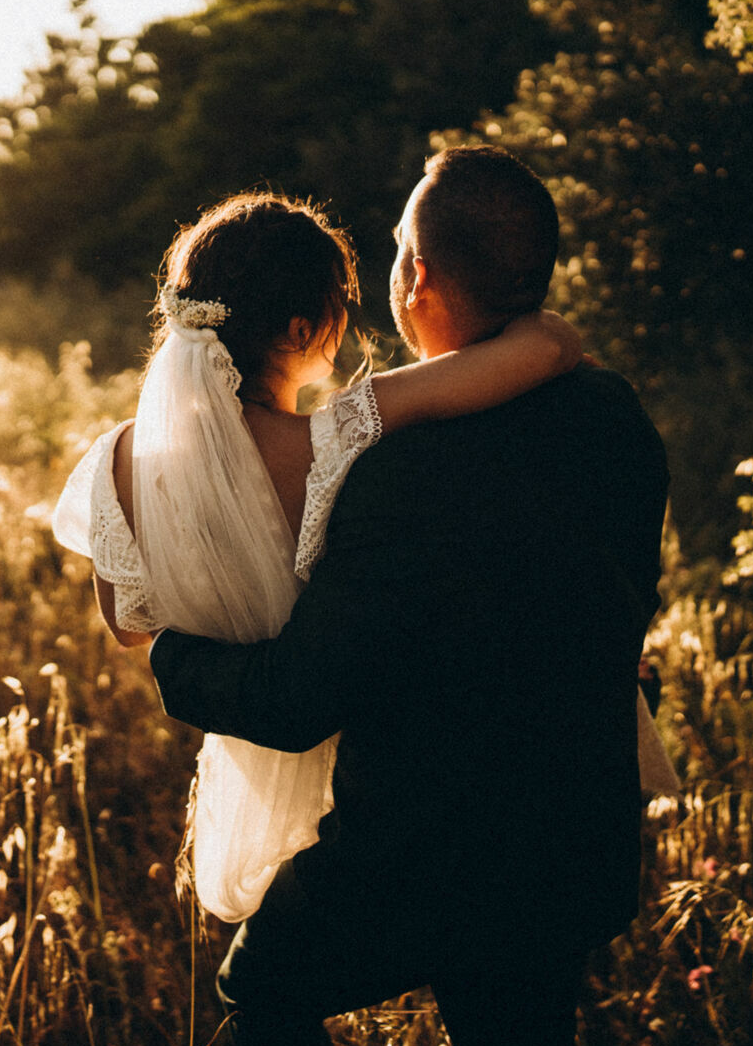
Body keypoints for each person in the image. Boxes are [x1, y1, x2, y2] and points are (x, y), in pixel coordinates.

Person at [147, 146, 671, 1046]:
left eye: (395, 249)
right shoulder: (612, 411)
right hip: (574, 843)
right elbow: (631, 600)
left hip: (420, 862)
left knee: (261, 989)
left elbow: (300, 697)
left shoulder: (392, 471)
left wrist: (173, 657)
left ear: (416, 275)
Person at [53, 188, 642, 925]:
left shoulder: (113, 464)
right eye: (338, 304)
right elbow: (551, 347)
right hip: (372, 777)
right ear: (301, 327)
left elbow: (130, 625)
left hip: (250, 733)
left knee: (267, 980)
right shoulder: (338, 439)